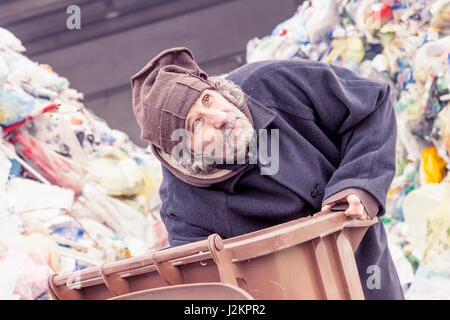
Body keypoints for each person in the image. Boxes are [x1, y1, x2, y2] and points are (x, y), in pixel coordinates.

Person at [130, 47, 404, 299]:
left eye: (207, 99)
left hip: (366, 267)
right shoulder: (182, 210)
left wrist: (358, 185)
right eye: (196, 124)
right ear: (183, 151)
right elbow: (214, 296)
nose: (221, 117)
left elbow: (371, 106)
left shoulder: (273, 82)